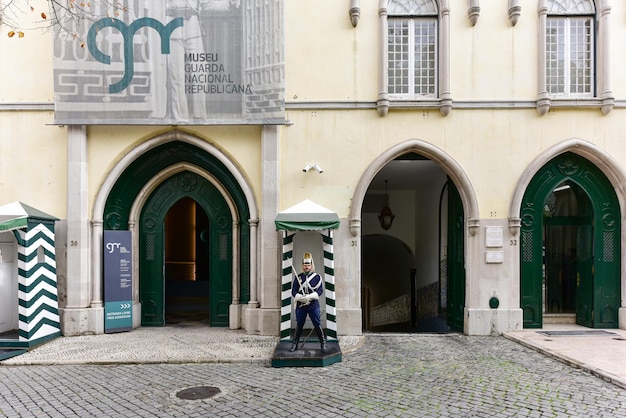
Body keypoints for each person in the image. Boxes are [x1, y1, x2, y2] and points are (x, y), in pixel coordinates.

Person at [290, 252, 326, 353]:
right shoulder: (299, 277)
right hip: (301, 304)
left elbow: (320, 291)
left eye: (308, 265)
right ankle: (295, 343)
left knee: (316, 323)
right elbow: (293, 291)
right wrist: (301, 297)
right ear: (303, 265)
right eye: (305, 265)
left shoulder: (317, 277)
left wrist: (309, 297)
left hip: (313, 304)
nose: (306, 267)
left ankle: (323, 342)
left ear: (311, 265)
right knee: (299, 324)